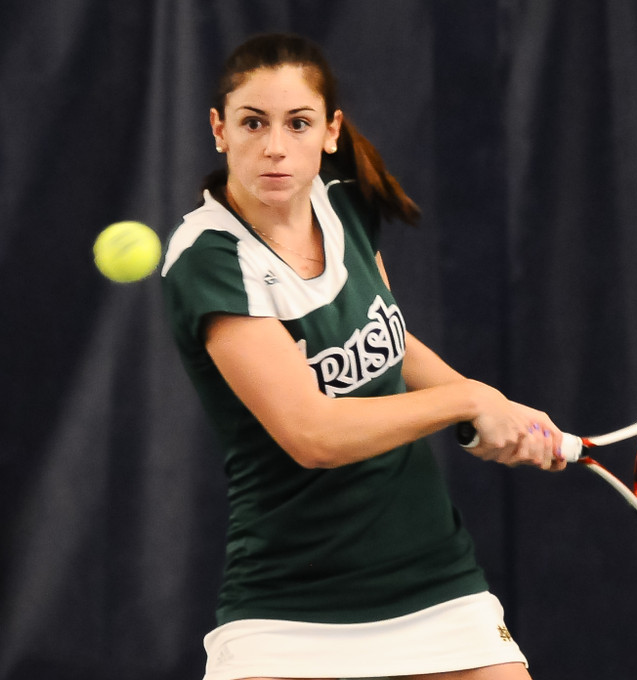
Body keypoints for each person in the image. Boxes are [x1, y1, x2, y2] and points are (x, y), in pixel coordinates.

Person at [161, 32, 565, 680]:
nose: (274, 146)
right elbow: (312, 434)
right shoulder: (210, 260)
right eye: (253, 122)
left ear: (330, 130)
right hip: (289, 603)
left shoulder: (343, 204)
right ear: (219, 129)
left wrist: (494, 409)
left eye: (298, 123)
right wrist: (467, 400)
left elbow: (389, 341)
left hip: (432, 575)